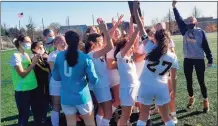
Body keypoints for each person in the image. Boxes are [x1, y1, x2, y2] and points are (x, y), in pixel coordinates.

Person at [133, 2, 178, 126]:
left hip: (146, 86)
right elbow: (173, 77)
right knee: (166, 117)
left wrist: (136, 11)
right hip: (162, 86)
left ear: (155, 39)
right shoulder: (173, 56)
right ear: (168, 40)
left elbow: (142, 29)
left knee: (143, 116)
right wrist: (173, 90)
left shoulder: (150, 47)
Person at [172, 0, 213, 112]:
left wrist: (210, 59)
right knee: (188, 80)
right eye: (188, 20)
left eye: (192, 20)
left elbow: (206, 46)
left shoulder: (201, 32)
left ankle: (205, 100)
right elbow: (178, 18)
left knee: (201, 81)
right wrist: (174, 7)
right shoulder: (184, 29)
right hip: (188, 60)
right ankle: (191, 97)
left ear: (196, 22)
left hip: (199, 59)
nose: (190, 22)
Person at [51, 30, 98, 126]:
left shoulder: (59, 56)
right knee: (90, 123)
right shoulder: (85, 58)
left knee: (70, 124)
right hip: (82, 96)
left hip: (66, 97)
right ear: (78, 41)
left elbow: (56, 77)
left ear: (66, 41)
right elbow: (94, 79)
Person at [85, 18, 114, 126]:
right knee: (108, 113)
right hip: (100, 86)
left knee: (102, 111)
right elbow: (110, 46)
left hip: (102, 85)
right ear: (92, 43)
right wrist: (105, 30)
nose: (102, 44)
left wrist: (103, 29)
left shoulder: (97, 53)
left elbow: (107, 43)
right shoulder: (92, 54)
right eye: (100, 42)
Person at [10, 34, 41, 126]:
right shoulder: (15, 56)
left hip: (33, 87)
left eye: (30, 41)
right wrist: (33, 63)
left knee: (36, 112)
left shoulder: (26, 54)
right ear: (20, 43)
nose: (29, 44)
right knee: (24, 115)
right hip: (22, 90)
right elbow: (22, 74)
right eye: (27, 42)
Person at [114, 25, 140, 126]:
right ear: (122, 47)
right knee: (126, 114)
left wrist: (133, 24)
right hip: (127, 90)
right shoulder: (120, 56)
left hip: (135, 87)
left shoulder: (129, 57)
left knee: (142, 107)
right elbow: (132, 41)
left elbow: (134, 41)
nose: (132, 47)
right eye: (129, 46)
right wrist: (138, 27)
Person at [47, 35, 67, 126]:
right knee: (56, 105)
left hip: (68, 83)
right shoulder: (53, 55)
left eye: (65, 41)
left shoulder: (69, 53)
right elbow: (54, 71)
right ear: (55, 44)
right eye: (61, 41)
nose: (64, 43)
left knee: (68, 104)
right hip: (57, 84)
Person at [31, 41, 50, 124]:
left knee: (45, 103)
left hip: (45, 85)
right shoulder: (35, 58)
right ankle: (41, 120)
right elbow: (46, 68)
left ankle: (43, 119)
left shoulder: (41, 57)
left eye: (43, 47)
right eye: (40, 48)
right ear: (34, 49)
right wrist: (47, 59)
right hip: (39, 86)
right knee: (41, 104)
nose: (42, 49)